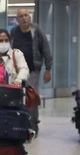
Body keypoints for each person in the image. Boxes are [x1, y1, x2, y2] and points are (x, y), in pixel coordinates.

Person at [10, 8, 53, 136]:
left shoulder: (37, 31)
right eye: (21, 16)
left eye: (26, 15)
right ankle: (19, 123)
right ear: (17, 19)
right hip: (16, 70)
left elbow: (46, 50)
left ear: (30, 17)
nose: (24, 18)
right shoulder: (13, 32)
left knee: (30, 94)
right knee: (16, 96)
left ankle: (33, 124)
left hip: (32, 69)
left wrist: (48, 69)